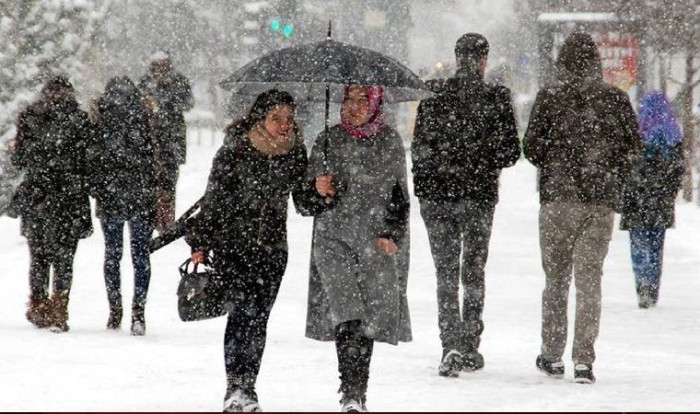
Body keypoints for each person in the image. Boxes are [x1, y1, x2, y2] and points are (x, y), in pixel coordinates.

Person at [523, 31, 643, 384]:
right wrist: (606, 167)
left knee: (556, 280)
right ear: (597, 62)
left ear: (562, 63)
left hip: (558, 200)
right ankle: (584, 360)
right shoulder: (615, 100)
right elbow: (633, 149)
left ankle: (552, 354)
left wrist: (556, 160)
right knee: (590, 283)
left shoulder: (549, 97)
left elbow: (530, 147)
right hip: (599, 202)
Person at [185, 90, 314, 412]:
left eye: (288, 119)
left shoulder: (296, 153)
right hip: (234, 246)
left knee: (258, 320)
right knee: (241, 313)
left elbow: (304, 204)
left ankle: (249, 386)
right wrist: (201, 242)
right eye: (276, 119)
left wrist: (320, 190)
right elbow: (213, 199)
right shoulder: (236, 150)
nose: (284, 125)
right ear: (261, 118)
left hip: (273, 249)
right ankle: (235, 387)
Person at [411, 33, 521, 377]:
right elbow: (510, 153)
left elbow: (419, 148)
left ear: (457, 57)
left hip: (438, 196)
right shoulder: (496, 97)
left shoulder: (433, 94)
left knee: (445, 272)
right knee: (473, 270)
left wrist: (426, 187)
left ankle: (451, 344)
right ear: (484, 59)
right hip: (479, 196)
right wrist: (481, 157)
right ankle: (471, 343)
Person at [306, 85, 411, 412]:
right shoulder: (327, 140)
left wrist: (392, 233)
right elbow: (305, 201)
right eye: (348, 99)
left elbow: (399, 196)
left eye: (363, 99)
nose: (354, 107)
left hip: (374, 241)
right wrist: (317, 188)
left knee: (367, 317)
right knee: (346, 313)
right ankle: (350, 391)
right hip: (333, 239)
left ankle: (358, 390)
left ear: (376, 103)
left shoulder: (390, 142)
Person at [10, 76, 94, 333]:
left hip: (39, 197)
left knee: (39, 257)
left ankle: (40, 305)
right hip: (69, 198)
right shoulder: (79, 120)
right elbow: (87, 160)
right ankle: (59, 307)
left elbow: (19, 159)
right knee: (64, 258)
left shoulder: (31, 116)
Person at [91, 76, 157, 335]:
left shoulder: (100, 118)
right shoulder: (144, 117)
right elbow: (155, 158)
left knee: (112, 255)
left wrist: (98, 187)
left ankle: (115, 308)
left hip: (111, 196)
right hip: (140, 195)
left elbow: (93, 158)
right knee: (140, 256)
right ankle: (138, 311)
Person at [620, 91, 685, 309]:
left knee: (638, 244)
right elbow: (678, 168)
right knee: (656, 245)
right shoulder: (673, 134)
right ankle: (653, 287)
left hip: (636, 197)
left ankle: (642, 285)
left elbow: (624, 164)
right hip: (660, 199)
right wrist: (671, 190)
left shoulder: (636, 130)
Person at [138, 50, 193, 232]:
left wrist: (167, 101)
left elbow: (188, 103)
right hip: (150, 139)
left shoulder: (178, 81)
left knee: (169, 182)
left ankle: (167, 221)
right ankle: (152, 218)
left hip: (172, 139)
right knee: (150, 182)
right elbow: (138, 104)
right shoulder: (145, 82)